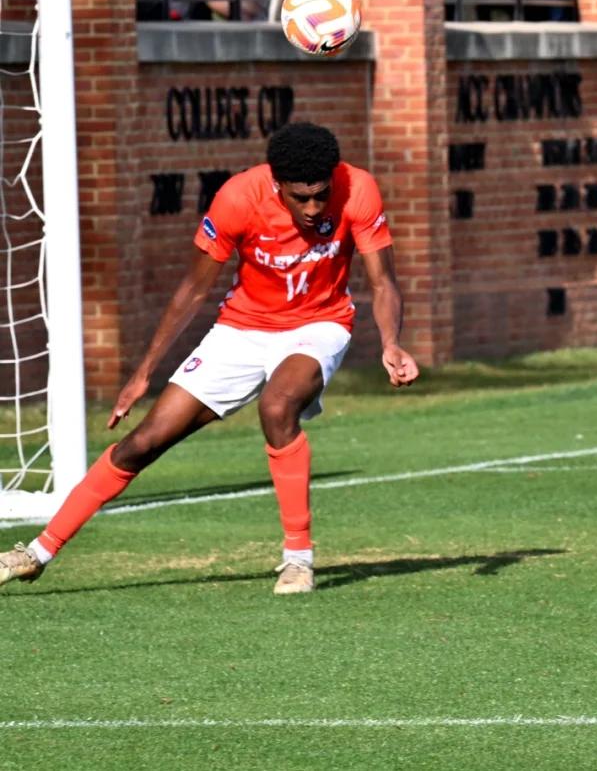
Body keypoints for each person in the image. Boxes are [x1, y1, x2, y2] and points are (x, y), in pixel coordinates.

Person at [0, 123, 419, 595]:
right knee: (143, 442)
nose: (313, 209)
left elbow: (383, 281)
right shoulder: (238, 198)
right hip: (241, 329)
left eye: (321, 196)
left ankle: (297, 559)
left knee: (277, 407)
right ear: (276, 182)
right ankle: (36, 553)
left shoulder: (358, 188)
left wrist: (390, 342)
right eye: (300, 198)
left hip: (317, 325)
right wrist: (143, 374)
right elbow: (193, 289)